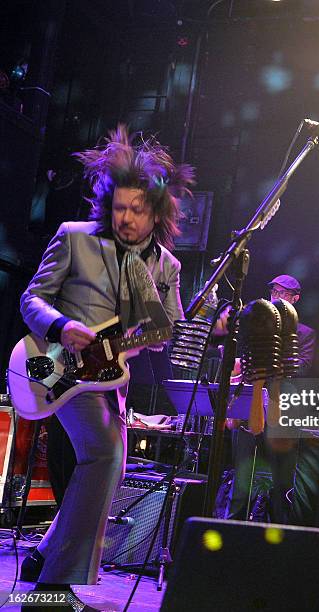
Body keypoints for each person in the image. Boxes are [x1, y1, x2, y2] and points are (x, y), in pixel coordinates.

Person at [18, 125, 193, 609]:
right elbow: (31, 296)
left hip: (110, 378)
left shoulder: (167, 267)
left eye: (138, 209)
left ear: (156, 212)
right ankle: (55, 582)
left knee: (109, 469)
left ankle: (44, 553)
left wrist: (165, 331)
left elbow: (167, 329)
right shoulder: (73, 238)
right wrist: (59, 326)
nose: (127, 217)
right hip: (55, 367)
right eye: (120, 207)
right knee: (107, 455)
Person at [228, 275, 316, 523]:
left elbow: (302, 368)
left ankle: (278, 535)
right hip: (251, 408)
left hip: (281, 411)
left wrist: (266, 363)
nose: (276, 297)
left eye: (284, 293)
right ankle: (232, 529)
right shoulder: (253, 328)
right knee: (242, 477)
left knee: (280, 481)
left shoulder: (305, 333)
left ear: (295, 299)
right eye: (274, 291)